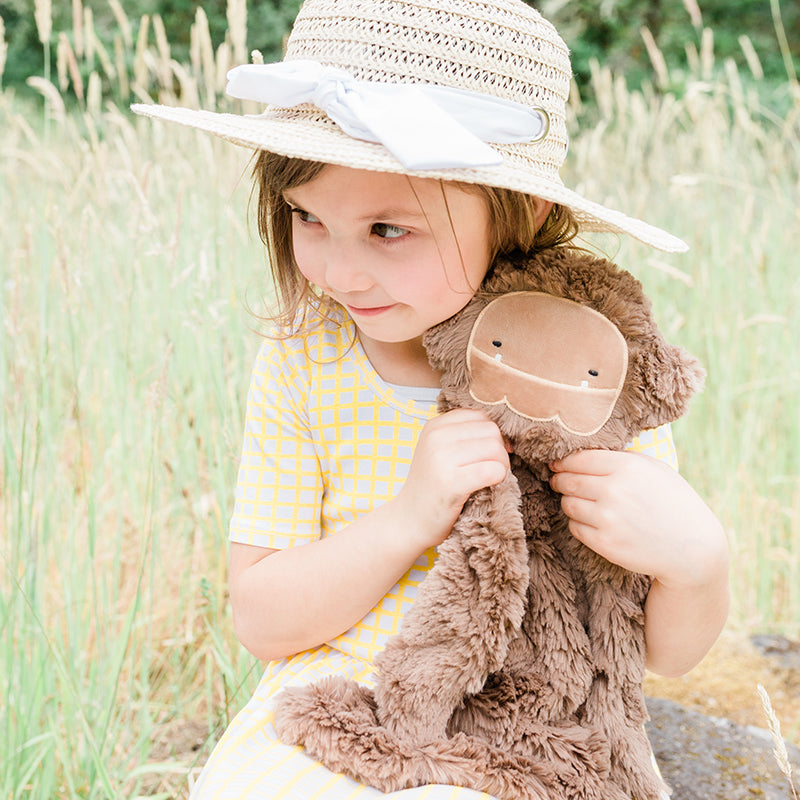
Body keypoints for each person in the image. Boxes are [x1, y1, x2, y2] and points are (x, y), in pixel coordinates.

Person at [133, 1, 730, 797]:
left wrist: (698, 562)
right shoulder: (306, 360)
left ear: (524, 212)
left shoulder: (585, 360)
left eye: (388, 230)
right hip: (344, 703)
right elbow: (263, 618)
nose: (339, 273)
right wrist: (410, 516)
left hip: (547, 725)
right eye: (307, 217)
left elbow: (662, 654)